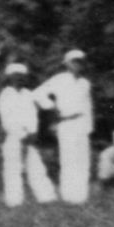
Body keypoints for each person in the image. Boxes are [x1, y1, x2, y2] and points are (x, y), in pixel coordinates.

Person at [33, 48, 95, 205]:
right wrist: (52, 106)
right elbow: (37, 94)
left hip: (81, 124)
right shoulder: (59, 79)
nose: (77, 65)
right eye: (74, 61)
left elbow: (88, 106)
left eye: (80, 62)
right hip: (66, 123)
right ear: (67, 63)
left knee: (83, 160)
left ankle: (81, 198)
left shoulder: (85, 83)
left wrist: (89, 127)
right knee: (69, 160)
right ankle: (69, 197)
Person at [0, 61, 57, 207]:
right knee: (13, 169)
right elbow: (7, 121)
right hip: (14, 137)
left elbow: (44, 107)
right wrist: (22, 135)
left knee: (36, 168)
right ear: (9, 78)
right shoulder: (5, 96)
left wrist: (33, 133)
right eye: (16, 76)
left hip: (31, 138)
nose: (19, 79)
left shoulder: (29, 94)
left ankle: (47, 198)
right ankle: (14, 202)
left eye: (22, 76)